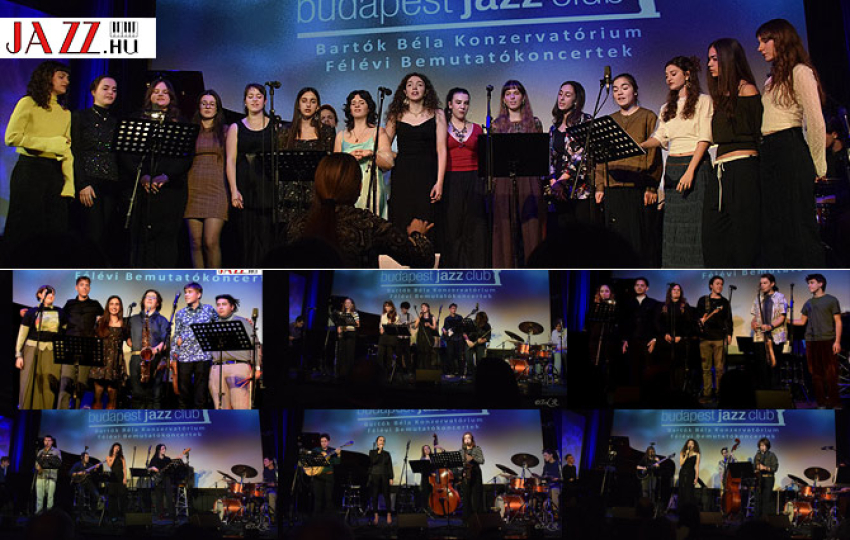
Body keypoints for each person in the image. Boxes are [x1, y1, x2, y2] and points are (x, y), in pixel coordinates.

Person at [757, 18, 826, 266]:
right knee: (776, 226)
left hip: (790, 146)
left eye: (765, 41)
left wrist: (818, 166)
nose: (760, 48)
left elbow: (815, 121)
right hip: (769, 151)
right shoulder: (771, 80)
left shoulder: (800, 72)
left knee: (799, 224)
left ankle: (812, 273)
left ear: (781, 39)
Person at [287, 153, 435, 268]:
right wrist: (417, 235)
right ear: (358, 188)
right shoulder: (368, 225)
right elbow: (422, 259)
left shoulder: (297, 226)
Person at [641, 56, 714, 268]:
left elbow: (704, 138)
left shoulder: (704, 101)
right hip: (673, 166)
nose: (669, 79)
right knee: (673, 226)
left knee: (695, 224)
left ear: (687, 74)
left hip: (695, 164)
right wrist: (641, 144)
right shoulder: (667, 107)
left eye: (673, 74)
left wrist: (690, 171)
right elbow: (660, 137)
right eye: (666, 76)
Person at [122, 78, 192, 267]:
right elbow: (126, 155)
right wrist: (144, 177)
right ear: (149, 95)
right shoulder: (136, 119)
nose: (160, 95)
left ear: (171, 97)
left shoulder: (181, 122)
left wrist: (166, 176)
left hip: (170, 189)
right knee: (140, 239)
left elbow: (186, 158)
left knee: (166, 240)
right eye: (156, 91)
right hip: (142, 188)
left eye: (165, 92)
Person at [704, 39, 762, 267]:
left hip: (743, 168)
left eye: (714, 59)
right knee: (714, 233)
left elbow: (757, 131)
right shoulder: (720, 96)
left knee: (743, 233)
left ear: (728, 59)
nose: (709, 64)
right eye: (709, 59)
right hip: (720, 170)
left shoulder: (746, 89)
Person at [3, 61, 73, 251]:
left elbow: (66, 150)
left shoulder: (65, 113)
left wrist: (69, 184)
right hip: (30, 170)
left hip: (55, 173)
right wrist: (50, 143)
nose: (66, 81)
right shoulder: (28, 103)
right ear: (47, 77)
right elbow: (11, 137)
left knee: (54, 230)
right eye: (61, 76)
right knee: (24, 227)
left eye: (67, 77)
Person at [595, 74, 663, 266]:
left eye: (625, 87)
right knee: (615, 243)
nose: (619, 93)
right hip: (613, 186)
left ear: (635, 91)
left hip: (637, 187)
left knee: (639, 242)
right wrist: (600, 185)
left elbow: (655, 155)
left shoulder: (648, 116)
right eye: (615, 89)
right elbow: (600, 157)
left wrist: (651, 186)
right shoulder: (609, 120)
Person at [385, 72, 447, 252]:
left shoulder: (438, 114)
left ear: (426, 90)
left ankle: (427, 262)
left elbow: (441, 149)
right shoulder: (396, 115)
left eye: (419, 84)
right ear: (404, 91)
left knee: (427, 220)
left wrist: (439, 182)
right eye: (410, 84)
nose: (414, 87)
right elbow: (384, 146)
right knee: (401, 219)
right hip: (402, 175)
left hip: (427, 174)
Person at [492, 80, 546, 268]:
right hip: (504, 180)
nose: (512, 97)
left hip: (529, 179)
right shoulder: (497, 125)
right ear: (503, 99)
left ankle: (533, 268)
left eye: (516, 93)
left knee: (531, 227)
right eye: (508, 94)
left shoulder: (534, 123)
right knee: (505, 228)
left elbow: (540, 155)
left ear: (523, 97)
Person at [71, 75, 121, 264]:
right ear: (93, 91)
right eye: (105, 88)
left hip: (112, 184)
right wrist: (82, 183)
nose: (110, 93)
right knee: (93, 234)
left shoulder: (116, 121)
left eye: (114, 90)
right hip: (90, 182)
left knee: (107, 235)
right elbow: (75, 151)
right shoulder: (80, 117)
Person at [226, 83, 275, 266]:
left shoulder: (274, 126)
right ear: (245, 101)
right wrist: (234, 190)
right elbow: (230, 160)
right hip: (243, 186)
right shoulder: (236, 127)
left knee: (266, 237)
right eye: (250, 96)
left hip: (266, 186)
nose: (255, 100)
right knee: (245, 239)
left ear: (265, 101)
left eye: (258, 96)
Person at [443, 87, 487, 268]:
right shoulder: (442, 127)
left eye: (466, 103)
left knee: (474, 227)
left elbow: (484, 157)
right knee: (453, 227)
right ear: (450, 105)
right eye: (458, 102)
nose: (462, 106)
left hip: (474, 179)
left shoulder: (477, 128)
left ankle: (475, 269)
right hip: (451, 179)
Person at [280, 87, 336, 228]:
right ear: (298, 105)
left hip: (316, 190)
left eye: (312, 101)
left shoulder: (327, 132)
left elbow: (329, 163)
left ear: (317, 107)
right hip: (290, 191)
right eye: (304, 101)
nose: (308, 105)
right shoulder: (285, 131)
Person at [185, 90, 229, 268]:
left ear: (217, 108)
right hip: (193, 189)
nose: (208, 107)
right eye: (204, 103)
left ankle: (214, 279)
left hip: (217, 190)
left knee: (210, 241)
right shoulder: (191, 131)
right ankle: (199, 279)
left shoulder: (226, 131)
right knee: (195, 242)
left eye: (212, 104)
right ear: (199, 107)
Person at [334, 90, 394, 219]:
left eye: (361, 102)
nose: (357, 105)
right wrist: (349, 158)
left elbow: (389, 163)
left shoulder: (378, 132)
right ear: (349, 109)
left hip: (371, 188)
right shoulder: (341, 136)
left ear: (369, 108)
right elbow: (334, 168)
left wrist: (371, 154)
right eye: (353, 103)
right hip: (347, 187)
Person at [548, 80, 597, 232]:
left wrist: (562, 181)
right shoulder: (554, 127)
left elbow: (583, 155)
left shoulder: (586, 121)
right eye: (560, 94)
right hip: (557, 191)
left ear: (576, 100)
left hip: (579, 190)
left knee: (581, 235)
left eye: (567, 95)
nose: (562, 98)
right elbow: (550, 158)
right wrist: (553, 182)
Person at [794, 273, 842, 407]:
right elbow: (802, 321)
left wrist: (837, 341)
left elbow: (838, 321)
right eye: (808, 283)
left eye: (812, 283)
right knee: (815, 374)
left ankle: (834, 402)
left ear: (821, 284)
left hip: (827, 340)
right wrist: (784, 319)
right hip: (811, 341)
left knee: (831, 372)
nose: (809, 286)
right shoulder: (808, 303)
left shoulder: (831, 300)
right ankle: (821, 402)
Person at [16, 285, 67, 409]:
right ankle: (26, 413)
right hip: (32, 349)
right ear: (39, 295)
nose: (51, 295)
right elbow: (22, 334)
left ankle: (45, 414)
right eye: (47, 292)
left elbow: (65, 333)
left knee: (48, 385)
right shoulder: (32, 312)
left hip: (51, 351)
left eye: (53, 293)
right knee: (28, 382)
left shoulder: (60, 312)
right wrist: (19, 355)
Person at [58, 276, 103, 409]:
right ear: (76, 287)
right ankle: (62, 412)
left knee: (81, 385)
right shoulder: (70, 304)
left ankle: (76, 412)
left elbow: (105, 319)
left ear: (89, 288)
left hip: (87, 349)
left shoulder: (95, 305)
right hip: (70, 347)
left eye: (87, 285)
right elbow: (59, 320)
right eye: (82, 285)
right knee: (65, 383)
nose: (84, 287)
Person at [209, 294, 261, 409]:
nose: (220, 307)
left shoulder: (242, 322)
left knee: (240, 407)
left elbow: (255, 344)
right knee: (220, 408)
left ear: (232, 307)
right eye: (218, 305)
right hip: (217, 368)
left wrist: (257, 368)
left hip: (238, 366)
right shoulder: (212, 324)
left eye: (224, 304)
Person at [172, 282, 217, 409]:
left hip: (203, 356)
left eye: (190, 292)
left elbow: (220, 324)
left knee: (201, 395)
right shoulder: (180, 313)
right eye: (185, 292)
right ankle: (184, 419)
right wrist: (173, 357)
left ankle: (200, 419)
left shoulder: (208, 310)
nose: (186, 295)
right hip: (184, 357)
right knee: (183, 394)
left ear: (199, 294)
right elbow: (176, 335)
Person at [128, 289, 169, 409]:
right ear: (143, 300)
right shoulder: (133, 319)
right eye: (147, 296)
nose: (150, 298)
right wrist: (131, 342)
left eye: (154, 297)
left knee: (154, 395)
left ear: (158, 303)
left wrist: (154, 351)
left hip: (154, 359)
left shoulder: (162, 320)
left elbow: (165, 342)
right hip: (136, 359)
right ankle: (138, 418)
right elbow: (126, 336)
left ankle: (153, 418)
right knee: (136, 394)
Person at [696, 276, 733, 401]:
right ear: (711, 285)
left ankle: (719, 393)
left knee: (719, 369)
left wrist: (729, 334)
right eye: (717, 283)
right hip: (705, 338)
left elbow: (728, 319)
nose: (720, 286)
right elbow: (697, 317)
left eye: (721, 284)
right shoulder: (703, 300)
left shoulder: (724, 302)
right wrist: (700, 320)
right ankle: (706, 394)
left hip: (719, 338)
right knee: (706, 368)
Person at [89, 295, 129, 410]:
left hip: (115, 362)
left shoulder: (124, 323)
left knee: (112, 397)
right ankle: (95, 420)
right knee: (98, 395)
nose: (114, 306)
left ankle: (109, 419)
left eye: (117, 304)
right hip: (100, 360)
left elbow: (129, 341)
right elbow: (93, 338)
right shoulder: (100, 321)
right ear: (108, 306)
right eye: (111, 304)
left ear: (120, 307)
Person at [750, 273, 787, 390]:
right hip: (761, 337)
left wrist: (771, 326)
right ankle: (764, 393)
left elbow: (782, 317)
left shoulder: (780, 297)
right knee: (762, 367)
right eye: (761, 283)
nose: (762, 285)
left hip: (775, 336)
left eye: (765, 283)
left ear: (772, 284)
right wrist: (753, 323)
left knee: (774, 366)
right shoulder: (758, 298)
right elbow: (755, 316)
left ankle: (775, 392)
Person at [655, 283, 694, 393]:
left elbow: (689, 324)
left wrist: (681, 336)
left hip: (680, 342)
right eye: (674, 290)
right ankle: (668, 390)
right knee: (667, 365)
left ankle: (679, 391)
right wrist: (664, 334)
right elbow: (658, 323)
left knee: (679, 366)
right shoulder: (664, 306)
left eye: (678, 290)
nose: (676, 291)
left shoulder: (684, 306)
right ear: (670, 292)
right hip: (666, 342)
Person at [621, 277, 659, 388]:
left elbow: (656, 322)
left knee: (647, 369)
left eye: (642, 285)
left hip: (647, 340)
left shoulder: (653, 303)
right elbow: (625, 323)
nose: (639, 287)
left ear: (647, 288)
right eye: (637, 285)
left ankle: (647, 394)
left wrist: (654, 339)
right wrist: (624, 340)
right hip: (632, 340)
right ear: (634, 287)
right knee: (633, 369)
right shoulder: (628, 303)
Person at [311, 434, 341, 516]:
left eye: (325, 441)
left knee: (328, 498)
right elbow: (311, 459)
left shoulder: (332, 451)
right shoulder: (316, 450)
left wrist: (338, 455)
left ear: (328, 442)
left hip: (329, 476)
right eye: (322, 441)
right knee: (317, 498)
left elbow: (336, 462)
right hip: (318, 476)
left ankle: (328, 518)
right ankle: (316, 518)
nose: (323, 443)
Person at [368, 436, 394, 525]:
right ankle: (376, 515)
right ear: (377, 442)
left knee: (387, 496)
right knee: (375, 496)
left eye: (383, 440)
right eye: (380, 440)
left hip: (384, 476)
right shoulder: (372, 452)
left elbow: (389, 466)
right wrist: (378, 452)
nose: (382, 442)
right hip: (374, 476)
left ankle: (389, 514)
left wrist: (391, 477)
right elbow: (372, 462)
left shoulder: (387, 454)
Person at [460, 432, 484, 522]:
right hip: (466, 474)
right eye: (465, 438)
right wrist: (462, 471)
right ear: (463, 440)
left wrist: (472, 458)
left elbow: (482, 460)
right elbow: (460, 464)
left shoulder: (477, 449)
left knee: (476, 496)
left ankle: (478, 518)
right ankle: (466, 518)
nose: (467, 440)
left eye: (468, 438)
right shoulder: (461, 451)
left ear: (472, 439)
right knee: (466, 496)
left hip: (475, 473)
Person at [35, 436, 60, 513]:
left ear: (52, 442)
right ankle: (38, 514)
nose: (47, 442)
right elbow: (36, 463)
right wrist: (38, 467)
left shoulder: (56, 451)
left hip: (51, 477)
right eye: (45, 440)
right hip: (40, 476)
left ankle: (49, 515)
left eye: (49, 440)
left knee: (50, 497)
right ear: (43, 442)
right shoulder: (40, 451)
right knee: (39, 497)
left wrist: (48, 459)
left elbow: (59, 463)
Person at [753, 438, 778, 518]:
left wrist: (764, 468)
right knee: (757, 500)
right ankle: (757, 518)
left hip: (768, 479)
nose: (762, 447)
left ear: (767, 446)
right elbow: (754, 466)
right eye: (760, 445)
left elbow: (774, 468)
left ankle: (764, 518)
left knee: (766, 500)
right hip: (759, 480)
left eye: (763, 445)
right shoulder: (757, 455)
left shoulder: (772, 455)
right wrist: (756, 468)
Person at [148, 444, 172, 520]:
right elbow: (148, 469)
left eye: (165, 448)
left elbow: (172, 469)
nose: (164, 450)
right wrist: (152, 468)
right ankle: (160, 514)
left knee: (169, 497)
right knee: (159, 498)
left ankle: (171, 514)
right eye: (162, 449)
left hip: (166, 479)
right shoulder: (154, 459)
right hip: (158, 480)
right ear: (158, 450)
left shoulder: (167, 459)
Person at [337, 298, 359, 378]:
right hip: (343, 334)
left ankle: (349, 373)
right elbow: (339, 325)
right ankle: (341, 372)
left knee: (349, 353)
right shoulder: (341, 314)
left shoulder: (354, 313)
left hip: (351, 334)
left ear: (352, 304)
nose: (347, 304)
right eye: (346, 302)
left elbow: (358, 324)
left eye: (349, 303)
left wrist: (350, 321)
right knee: (342, 353)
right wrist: (339, 332)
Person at [464, 311, 490, 380]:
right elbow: (464, 333)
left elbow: (488, 337)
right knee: (469, 360)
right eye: (482, 323)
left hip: (480, 344)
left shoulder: (487, 325)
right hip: (470, 342)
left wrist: (482, 340)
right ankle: (471, 374)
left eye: (484, 323)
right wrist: (467, 341)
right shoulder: (471, 324)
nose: (483, 324)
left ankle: (479, 376)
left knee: (480, 361)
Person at [441, 303, 464, 377]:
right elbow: (444, 328)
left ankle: (461, 373)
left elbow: (462, 327)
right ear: (449, 309)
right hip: (450, 340)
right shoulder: (447, 319)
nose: (454, 310)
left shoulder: (459, 318)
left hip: (459, 339)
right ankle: (452, 372)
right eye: (452, 308)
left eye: (455, 308)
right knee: (450, 356)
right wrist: (444, 330)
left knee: (460, 356)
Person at [414, 303, 438, 368]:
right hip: (420, 337)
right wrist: (419, 317)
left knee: (427, 353)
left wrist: (429, 325)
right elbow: (415, 326)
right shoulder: (420, 317)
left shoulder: (432, 317)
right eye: (422, 307)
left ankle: (427, 369)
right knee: (420, 353)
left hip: (428, 337)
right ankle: (420, 369)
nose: (423, 308)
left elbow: (434, 327)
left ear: (428, 308)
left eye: (424, 307)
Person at [678, 439, 700, 508]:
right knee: (682, 490)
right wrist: (686, 456)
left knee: (689, 491)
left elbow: (697, 466)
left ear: (694, 445)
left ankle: (689, 509)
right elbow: (681, 464)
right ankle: (681, 508)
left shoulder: (697, 454)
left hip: (691, 473)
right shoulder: (682, 453)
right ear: (687, 444)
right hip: (683, 473)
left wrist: (696, 478)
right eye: (689, 443)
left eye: (692, 444)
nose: (690, 445)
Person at [378, 301, 399, 374]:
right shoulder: (383, 315)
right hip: (383, 337)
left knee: (389, 355)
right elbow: (381, 324)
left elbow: (394, 324)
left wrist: (389, 321)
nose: (386, 307)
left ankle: (388, 372)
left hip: (391, 337)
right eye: (385, 306)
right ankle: (380, 371)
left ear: (391, 307)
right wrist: (380, 329)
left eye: (388, 306)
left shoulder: (396, 315)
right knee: (380, 354)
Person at [542, 449, 562, 514]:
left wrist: (557, 479)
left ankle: (556, 513)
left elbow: (562, 477)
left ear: (551, 455)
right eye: (544, 456)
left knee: (554, 491)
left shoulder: (558, 464)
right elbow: (543, 476)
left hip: (556, 485)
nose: (544, 457)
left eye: (545, 455)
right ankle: (545, 514)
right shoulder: (546, 466)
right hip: (548, 486)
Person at [396, 302, 414, 374]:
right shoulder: (398, 315)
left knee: (407, 354)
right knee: (398, 354)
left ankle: (408, 370)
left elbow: (414, 326)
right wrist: (401, 324)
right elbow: (396, 324)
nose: (404, 310)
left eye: (405, 309)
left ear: (408, 309)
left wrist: (411, 324)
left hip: (406, 338)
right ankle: (399, 370)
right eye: (402, 308)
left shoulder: (410, 316)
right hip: (399, 338)